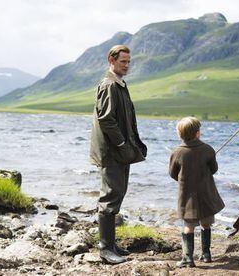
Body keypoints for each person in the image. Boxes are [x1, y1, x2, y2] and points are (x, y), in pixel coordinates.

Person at [90, 45, 147, 264]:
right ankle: (105, 249)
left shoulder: (120, 84)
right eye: (123, 62)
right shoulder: (108, 85)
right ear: (111, 60)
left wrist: (132, 144)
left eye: (128, 62)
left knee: (118, 193)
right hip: (112, 151)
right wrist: (123, 143)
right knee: (110, 196)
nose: (127, 66)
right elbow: (106, 119)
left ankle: (111, 245)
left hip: (121, 151)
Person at [169, 117, 225, 268]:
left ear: (180, 135)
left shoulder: (177, 152)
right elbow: (214, 169)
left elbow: (172, 173)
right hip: (207, 195)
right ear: (198, 133)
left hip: (187, 197)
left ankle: (188, 258)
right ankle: (206, 254)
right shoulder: (208, 149)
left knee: (189, 226)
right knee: (206, 224)